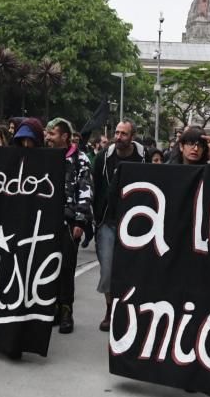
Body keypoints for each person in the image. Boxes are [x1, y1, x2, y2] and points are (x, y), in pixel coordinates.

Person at [93, 119, 146, 331]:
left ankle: (129, 311)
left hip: (137, 224)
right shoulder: (103, 158)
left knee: (134, 271)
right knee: (107, 269)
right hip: (109, 221)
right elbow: (96, 187)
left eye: (124, 134)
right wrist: (96, 218)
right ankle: (110, 309)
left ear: (132, 137)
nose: (118, 137)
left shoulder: (145, 157)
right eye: (117, 132)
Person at [44, 118, 93, 334]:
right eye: (46, 133)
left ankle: (66, 311)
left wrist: (80, 221)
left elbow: (85, 189)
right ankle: (52, 308)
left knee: (66, 267)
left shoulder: (80, 159)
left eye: (52, 133)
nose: (47, 137)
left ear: (64, 136)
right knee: (48, 266)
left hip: (69, 221)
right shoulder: (44, 156)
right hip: (45, 220)